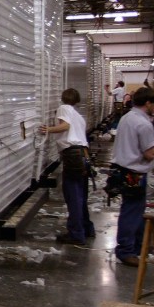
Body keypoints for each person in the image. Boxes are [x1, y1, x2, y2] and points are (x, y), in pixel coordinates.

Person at [109, 86, 154, 266]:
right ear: (147, 103)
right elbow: (150, 154)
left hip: (123, 171)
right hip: (134, 174)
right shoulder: (143, 123)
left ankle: (137, 247)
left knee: (135, 211)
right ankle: (126, 250)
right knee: (131, 212)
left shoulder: (128, 118)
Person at [40, 88, 94, 245]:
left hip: (72, 155)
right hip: (83, 154)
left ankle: (76, 234)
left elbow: (65, 126)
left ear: (63, 98)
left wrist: (48, 129)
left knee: (73, 196)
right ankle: (87, 228)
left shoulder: (64, 108)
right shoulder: (79, 116)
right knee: (82, 195)